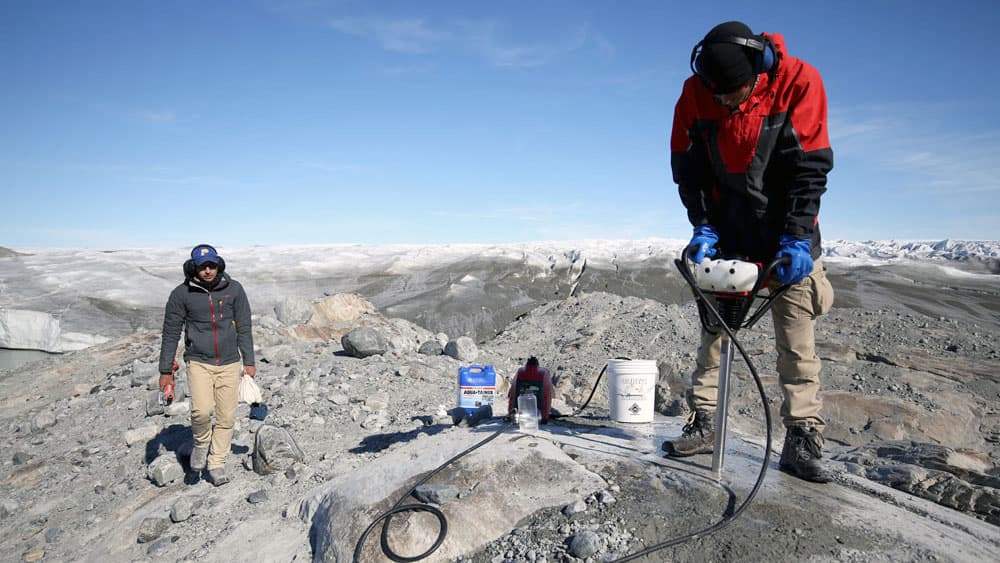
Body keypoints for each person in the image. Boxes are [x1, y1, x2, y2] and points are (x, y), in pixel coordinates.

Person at [663, 21, 836, 483]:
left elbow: (809, 169)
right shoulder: (696, 93)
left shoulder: (800, 83)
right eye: (715, 93)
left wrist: (797, 237)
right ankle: (704, 423)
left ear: (757, 70)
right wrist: (703, 225)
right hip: (730, 236)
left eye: (731, 93)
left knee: (796, 341)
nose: (722, 102)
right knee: (714, 337)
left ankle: (802, 437)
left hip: (787, 239)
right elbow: (688, 168)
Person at [158, 244, 256, 486]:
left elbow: (244, 326)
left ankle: (217, 462)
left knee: (226, 417)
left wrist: (249, 360)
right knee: (201, 411)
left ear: (218, 264)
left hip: (230, 362)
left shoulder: (234, 290)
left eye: (211, 265)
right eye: (203, 266)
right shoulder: (181, 294)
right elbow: (171, 333)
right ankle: (201, 442)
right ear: (194, 268)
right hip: (199, 361)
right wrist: (165, 371)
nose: (208, 270)